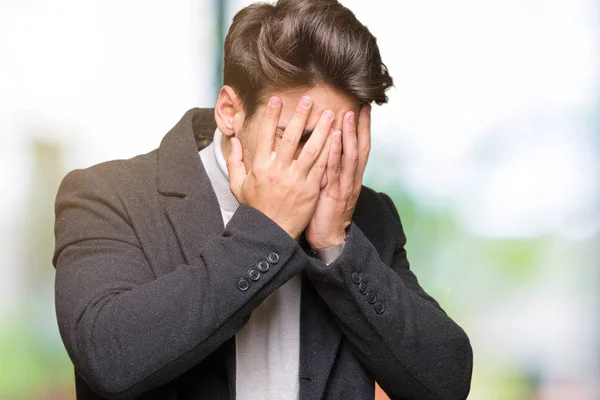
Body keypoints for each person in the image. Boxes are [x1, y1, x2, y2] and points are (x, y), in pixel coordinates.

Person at [52, 0, 473, 399]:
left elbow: (446, 381)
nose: (323, 162)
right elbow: (109, 359)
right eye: (298, 137)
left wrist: (335, 244)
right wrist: (265, 229)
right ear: (230, 112)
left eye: (340, 141)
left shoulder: (367, 216)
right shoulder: (108, 196)